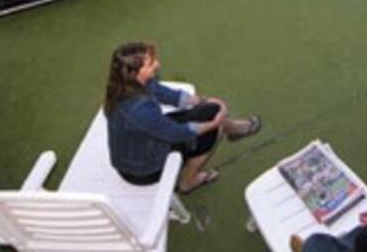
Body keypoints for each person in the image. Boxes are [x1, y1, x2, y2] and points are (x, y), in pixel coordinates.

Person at [104, 41, 261, 193]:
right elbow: (178, 133)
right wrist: (214, 124)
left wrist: (203, 100)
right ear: (134, 72)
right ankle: (187, 182)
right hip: (142, 169)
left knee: (211, 111)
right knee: (212, 131)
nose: (157, 64)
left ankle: (232, 128)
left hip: (144, 143)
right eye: (151, 63)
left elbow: (163, 93)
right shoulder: (139, 110)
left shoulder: (130, 84)